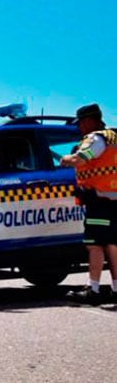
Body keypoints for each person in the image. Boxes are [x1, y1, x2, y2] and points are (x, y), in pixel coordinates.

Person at [60, 103, 117, 305]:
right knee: (112, 244)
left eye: (81, 123)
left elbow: (81, 159)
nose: (79, 128)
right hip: (112, 199)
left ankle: (93, 290)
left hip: (99, 200)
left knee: (95, 245)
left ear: (90, 121)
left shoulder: (96, 139)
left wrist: (66, 159)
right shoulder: (114, 137)